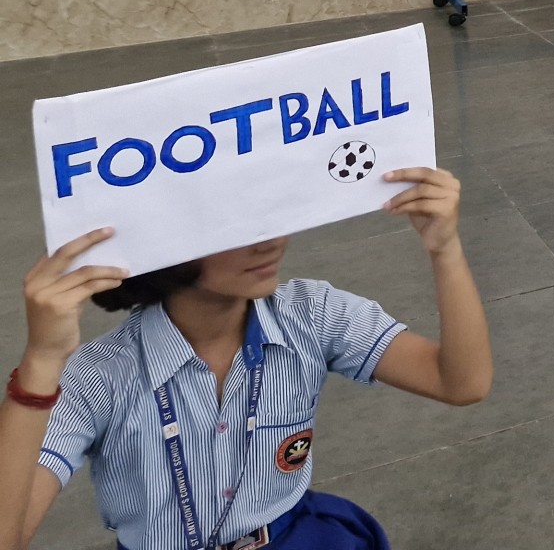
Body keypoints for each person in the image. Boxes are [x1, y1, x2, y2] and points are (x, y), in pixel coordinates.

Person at [1, 168, 491, 550]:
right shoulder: (99, 376)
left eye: (271, 213)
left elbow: (461, 383)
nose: (270, 240)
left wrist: (445, 249)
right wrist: (41, 360)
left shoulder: (313, 315)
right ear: (162, 235)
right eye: (232, 225)